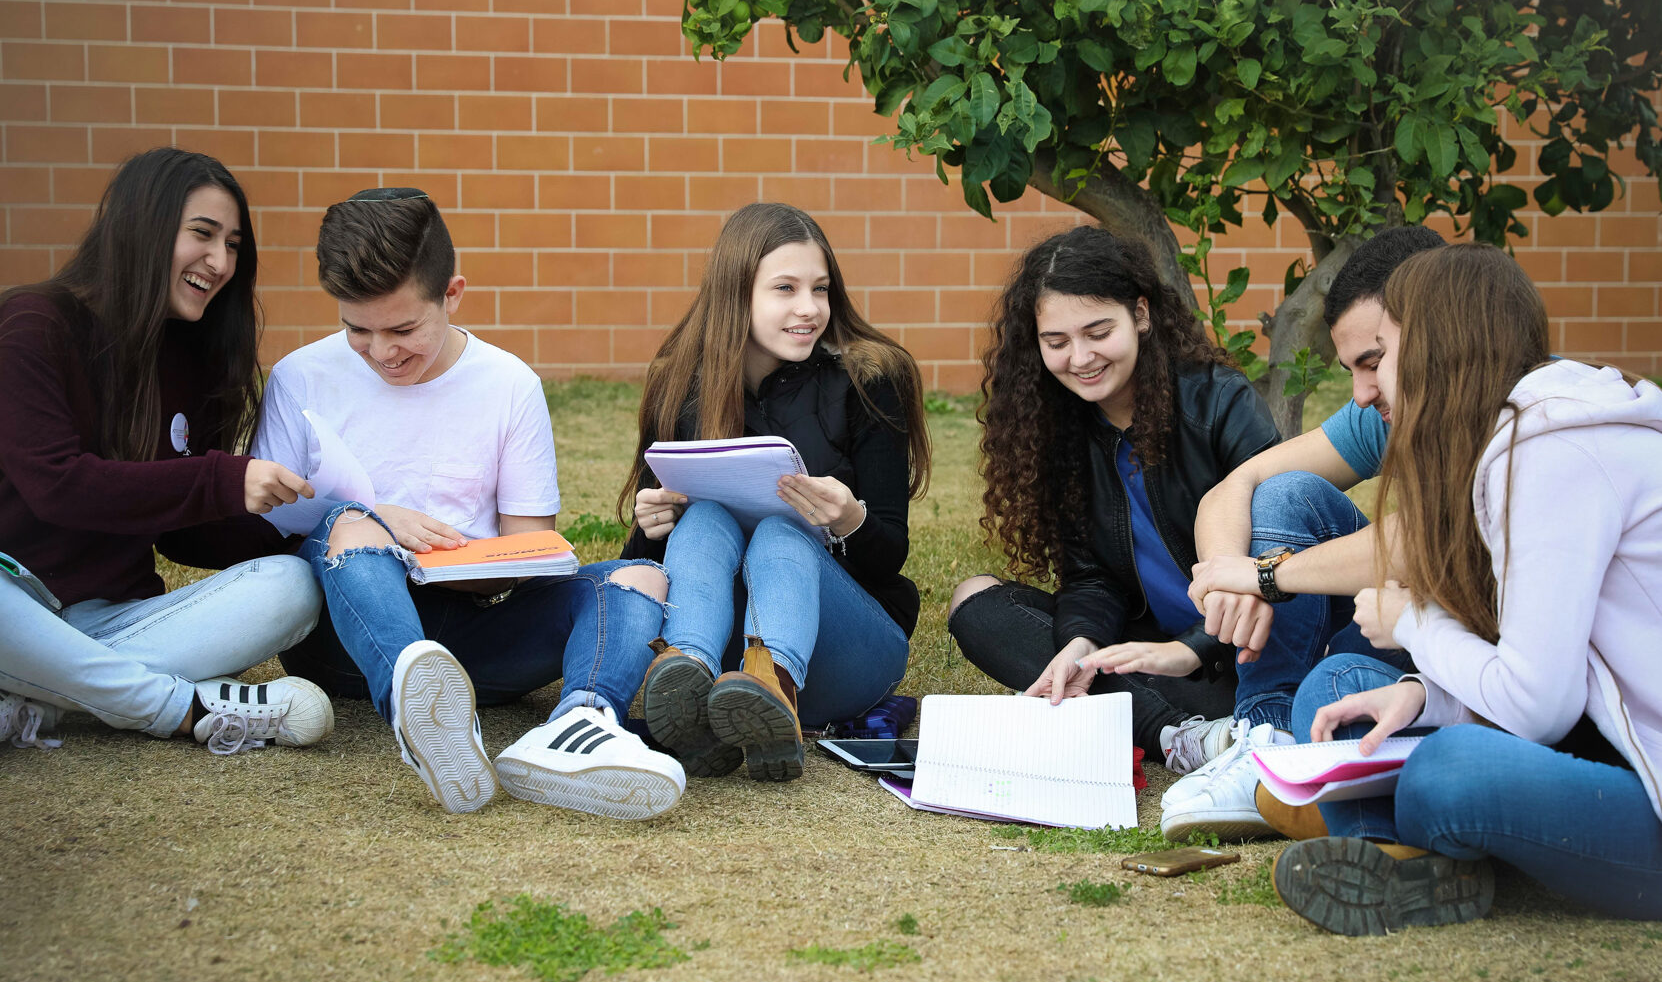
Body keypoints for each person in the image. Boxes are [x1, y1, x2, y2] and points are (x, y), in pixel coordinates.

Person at [255, 188, 683, 819]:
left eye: (403, 329)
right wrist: (378, 521)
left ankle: (578, 727)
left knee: (640, 576)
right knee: (347, 522)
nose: (381, 352)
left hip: (475, 636)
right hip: (340, 642)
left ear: (452, 294)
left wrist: (452, 561)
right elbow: (272, 526)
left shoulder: (509, 384)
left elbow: (531, 550)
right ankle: (418, 711)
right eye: (357, 330)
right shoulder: (299, 376)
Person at [1273, 242, 1662, 934]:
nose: (1367, 391)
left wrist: (1415, 622)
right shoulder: (1517, 434)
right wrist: (1424, 693)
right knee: (1337, 692)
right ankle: (1391, 860)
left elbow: (1539, 706)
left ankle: (1398, 843)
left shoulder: (1553, 449)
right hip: (1606, 734)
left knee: (1447, 775)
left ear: (1435, 346)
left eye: (1381, 352)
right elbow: (1563, 674)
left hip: (1644, 781)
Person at [945, 226, 1338, 839]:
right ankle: (1183, 740)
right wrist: (1078, 642)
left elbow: (1281, 553)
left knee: (1245, 649)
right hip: (1153, 654)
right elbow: (1092, 576)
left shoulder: (1217, 402)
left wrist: (1195, 650)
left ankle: (1176, 726)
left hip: (1244, 654)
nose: (1080, 358)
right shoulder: (1061, 424)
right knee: (977, 602)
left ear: (1142, 314)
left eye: (1098, 332)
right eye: (1057, 341)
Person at [0, 147, 331, 754]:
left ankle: (38, 691)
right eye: (202, 235)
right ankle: (181, 709)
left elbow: (184, 534)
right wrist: (223, 479)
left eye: (233, 244)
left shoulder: (191, 354)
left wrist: (315, 534)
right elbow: (58, 485)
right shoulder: (32, 323)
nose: (221, 261)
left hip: (112, 623)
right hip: (11, 598)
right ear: (141, 230)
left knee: (291, 584)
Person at [619, 202, 930, 782]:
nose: (808, 309)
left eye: (820, 288)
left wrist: (848, 520)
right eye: (784, 289)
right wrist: (652, 524)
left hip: (849, 647)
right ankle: (686, 684)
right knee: (705, 517)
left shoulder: (868, 379)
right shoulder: (680, 384)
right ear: (736, 294)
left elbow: (890, 558)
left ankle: (776, 689)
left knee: (783, 528)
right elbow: (648, 564)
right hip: (724, 649)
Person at [1186, 226, 1445, 669]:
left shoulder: (1528, 414)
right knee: (1283, 493)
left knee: (1334, 682)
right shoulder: (1381, 414)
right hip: (1410, 616)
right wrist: (1229, 577)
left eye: (1375, 362)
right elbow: (1233, 486)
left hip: (1495, 657)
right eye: (1350, 370)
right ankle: (1267, 725)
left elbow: (1433, 538)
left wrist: (1264, 576)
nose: (1362, 394)